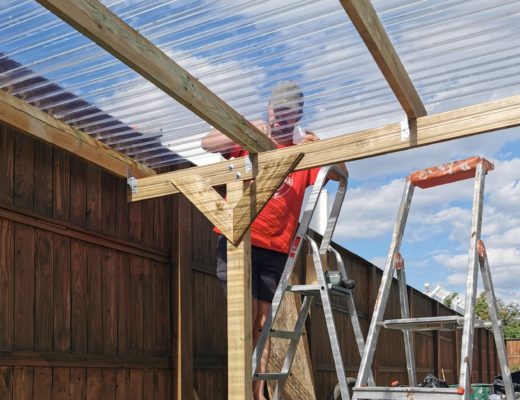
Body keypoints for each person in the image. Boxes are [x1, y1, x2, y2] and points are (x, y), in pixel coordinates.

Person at [201, 81, 346, 400]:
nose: (281, 118)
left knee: (264, 324)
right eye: (277, 111)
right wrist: (242, 129)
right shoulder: (249, 140)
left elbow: (339, 172)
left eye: (289, 114)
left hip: (277, 249)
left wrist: (321, 148)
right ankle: (243, 391)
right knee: (246, 317)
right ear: (268, 109)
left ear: (298, 117)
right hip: (240, 240)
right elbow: (207, 142)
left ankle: (259, 393)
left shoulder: (301, 154)